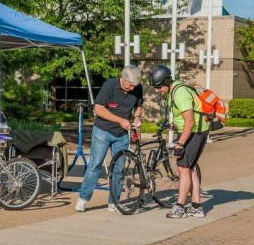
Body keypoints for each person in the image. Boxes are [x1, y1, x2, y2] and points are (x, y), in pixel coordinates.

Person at [75, 65, 143, 213]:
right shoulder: (109, 85)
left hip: (122, 134)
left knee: (119, 168)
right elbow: (98, 109)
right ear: (122, 79)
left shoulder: (137, 87)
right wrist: (120, 120)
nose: (132, 89)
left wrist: (137, 117)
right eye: (130, 85)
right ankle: (83, 198)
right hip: (103, 131)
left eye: (134, 86)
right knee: (95, 165)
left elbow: (139, 106)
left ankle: (114, 202)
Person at [148, 65, 209, 218]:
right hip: (192, 131)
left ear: (167, 82)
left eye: (159, 87)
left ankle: (180, 206)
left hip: (195, 132)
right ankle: (196, 207)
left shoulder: (179, 93)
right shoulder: (173, 91)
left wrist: (180, 143)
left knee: (182, 168)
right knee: (189, 168)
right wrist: (174, 125)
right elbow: (185, 118)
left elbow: (189, 121)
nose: (157, 90)